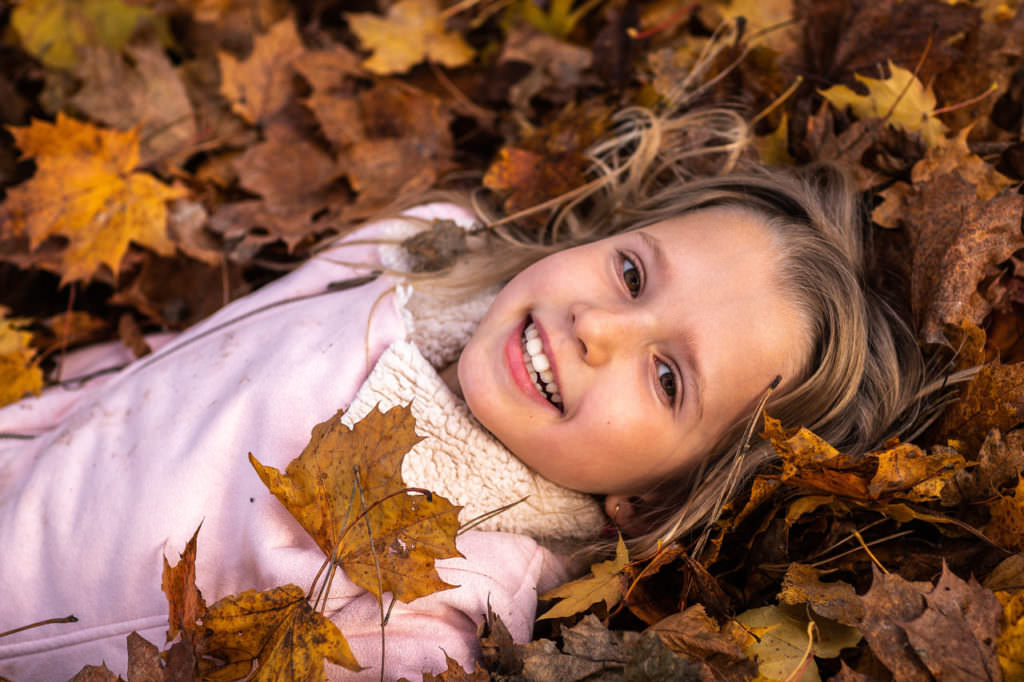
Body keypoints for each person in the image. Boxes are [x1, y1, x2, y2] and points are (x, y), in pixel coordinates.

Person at [0, 105, 929, 680]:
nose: (599, 326)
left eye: (668, 376)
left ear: (656, 494)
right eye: (635, 276)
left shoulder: (438, 610)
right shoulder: (418, 249)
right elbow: (190, 361)